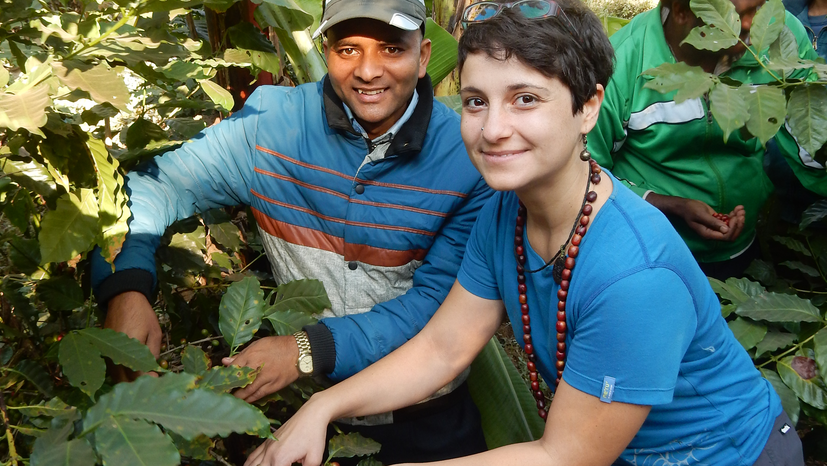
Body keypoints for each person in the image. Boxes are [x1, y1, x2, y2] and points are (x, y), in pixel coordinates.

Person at [243, 1, 803, 465]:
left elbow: (563, 456)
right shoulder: (505, 211)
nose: (492, 129)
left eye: (526, 99)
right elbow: (444, 346)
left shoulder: (634, 274)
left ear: (588, 108)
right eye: (475, 102)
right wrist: (320, 408)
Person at [89, 0, 490, 462]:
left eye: (391, 49)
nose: (368, 70)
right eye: (347, 49)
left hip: (424, 415)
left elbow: (440, 308)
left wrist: (307, 349)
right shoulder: (270, 128)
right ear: (325, 52)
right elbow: (151, 189)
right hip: (291, 406)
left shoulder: (469, 156)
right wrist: (125, 288)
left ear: (422, 58)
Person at [588, 0, 827, 280]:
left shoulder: (779, 35)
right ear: (681, 10)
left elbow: (811, 142)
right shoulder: (622, 63)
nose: (751, 25)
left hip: (744, 251)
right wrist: (668, 204)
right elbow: (587, 174)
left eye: (759, 9)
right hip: (650, 257)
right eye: (737, 16)